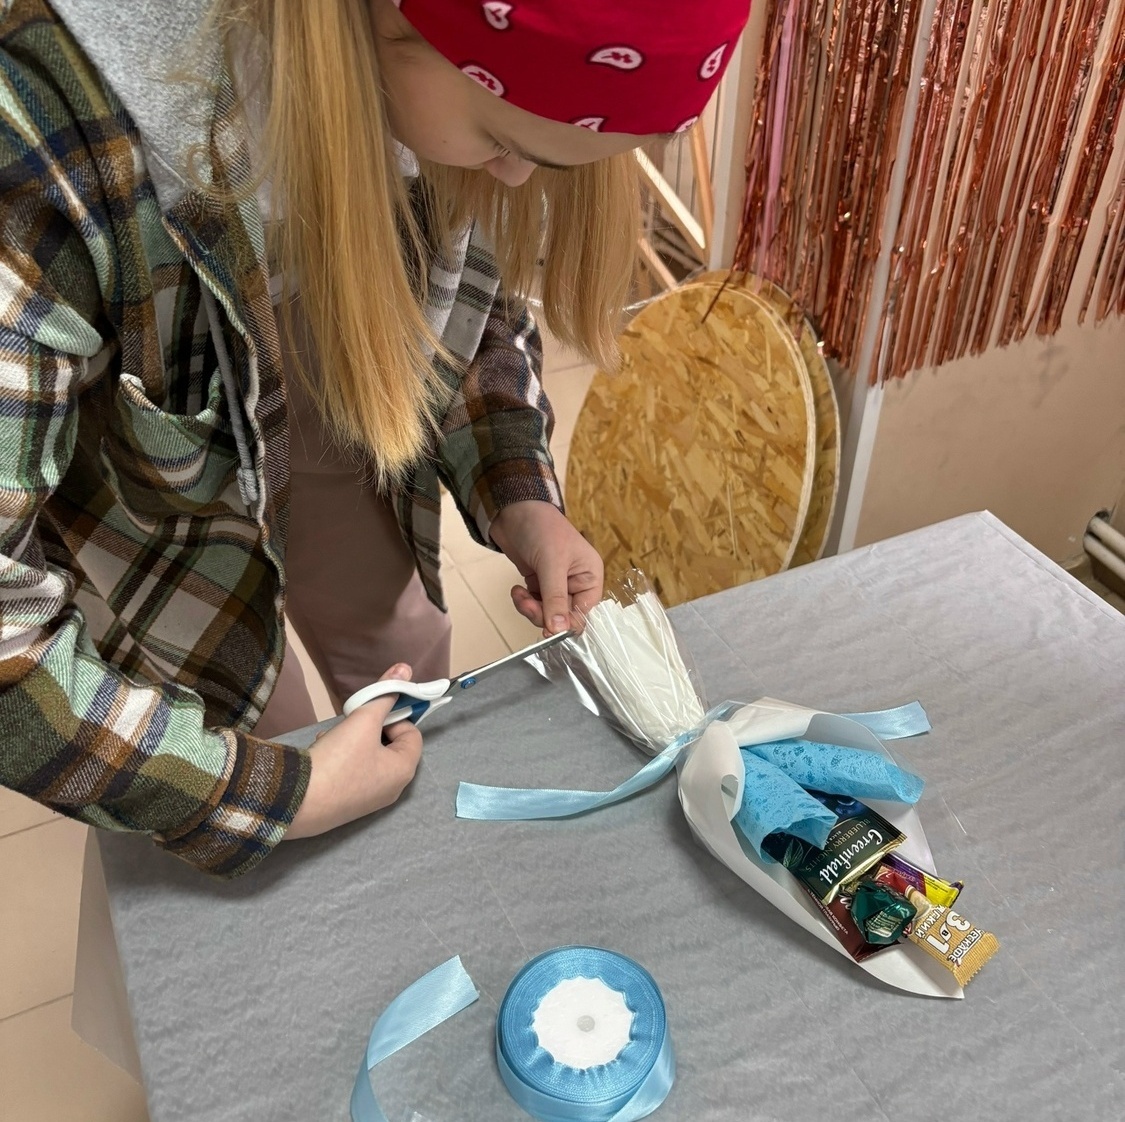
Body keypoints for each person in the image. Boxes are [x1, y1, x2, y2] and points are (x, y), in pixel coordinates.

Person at [0, 0, 751, 876]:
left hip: (342, 424)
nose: (511, 177)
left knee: (398, 656)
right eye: (501, 140)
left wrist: (518, 494)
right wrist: (272, 794)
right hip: (153, 524)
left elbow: (468, 312)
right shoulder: (41, 134)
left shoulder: (431, 92)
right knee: (237, 719)